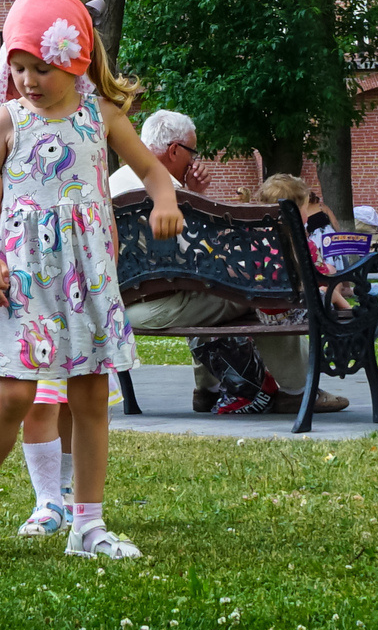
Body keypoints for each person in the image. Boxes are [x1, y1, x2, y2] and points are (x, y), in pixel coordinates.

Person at [0, 0, 177, 560]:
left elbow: (153, 171)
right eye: (18, 67)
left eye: (41, 68)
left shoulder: (102, 117)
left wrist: (165, 200)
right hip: (22, 281)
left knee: (92, 397)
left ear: (74, 61)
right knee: (14, 394)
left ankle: (88, 525)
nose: (27, 80)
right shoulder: (6, 121)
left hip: (89, 280)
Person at [107, 113, 349, 417]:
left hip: (124, 307)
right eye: (192, 152)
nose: (194, 161)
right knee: (264, 291)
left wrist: (191, 193)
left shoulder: (114, 183)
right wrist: (192, 196)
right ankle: (298, 391)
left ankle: (207, 390)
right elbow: (205, 259)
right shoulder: (166, 192)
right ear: (174, 151)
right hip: (163, 307)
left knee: (210, 293)